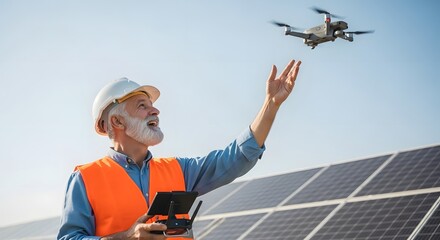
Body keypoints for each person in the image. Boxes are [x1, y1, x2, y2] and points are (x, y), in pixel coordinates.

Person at [57, 59, 302, 240]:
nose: (155, 111)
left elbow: (236, 158)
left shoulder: (180, 170)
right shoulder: (85, 179)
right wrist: (127, 237)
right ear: (117, 122)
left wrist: (270, 106)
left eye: (152, 105)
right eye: (142, 106)